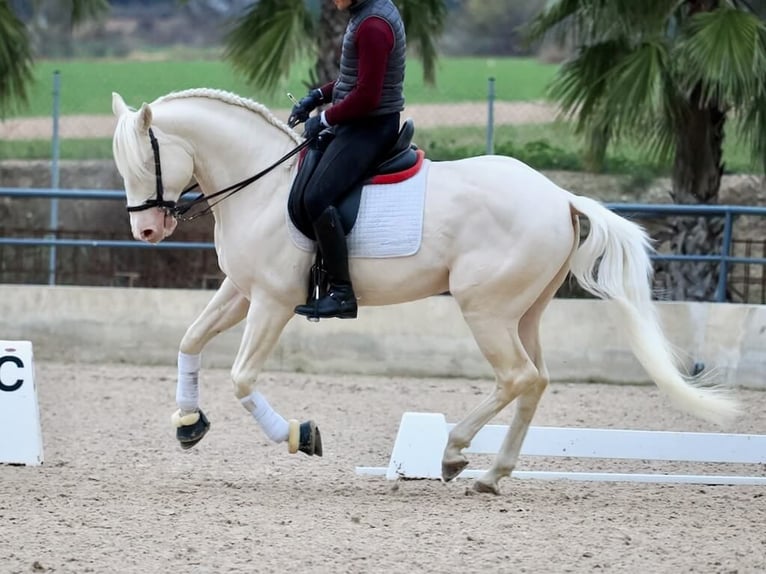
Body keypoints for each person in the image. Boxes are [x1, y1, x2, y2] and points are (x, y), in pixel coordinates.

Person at [289, 0, 406, 320]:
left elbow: (367, 95)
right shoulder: (365, 14)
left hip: (371, 127)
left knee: (316, 197)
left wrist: (324, 119)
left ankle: (341, 292)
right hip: (360, 121)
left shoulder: (373, 26)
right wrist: (317, 96)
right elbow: (354, 78)